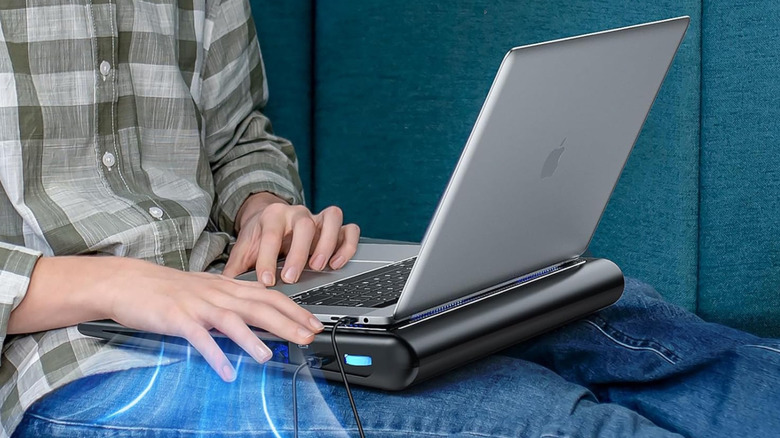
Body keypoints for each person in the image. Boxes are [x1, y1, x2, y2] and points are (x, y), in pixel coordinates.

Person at [1, 2, 779, 437]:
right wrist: (110, 283)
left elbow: (239, 138)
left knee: (618, 320)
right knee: (546, 420)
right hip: (74, 367)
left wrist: (264, 206)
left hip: (246, 291)